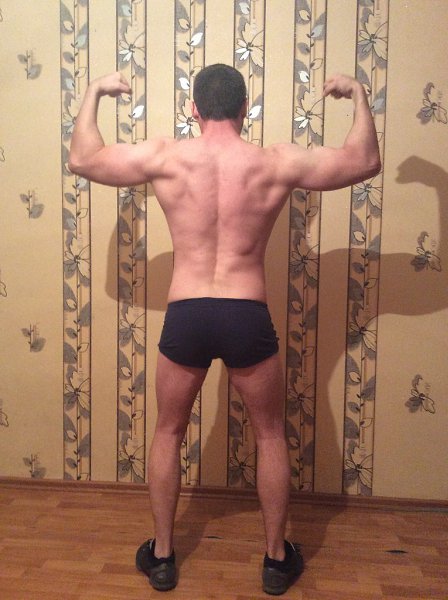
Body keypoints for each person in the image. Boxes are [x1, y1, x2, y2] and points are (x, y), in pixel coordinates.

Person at [69, 63, 381, 595]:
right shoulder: (274, 161)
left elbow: (83, 157)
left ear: (194, 108)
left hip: (188, 312)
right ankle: (276, 560)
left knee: (168, 431)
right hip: (245, 313)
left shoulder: (166, 156)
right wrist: (357, 96)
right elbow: (364, 160)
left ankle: (162, 556)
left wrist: (96, 90)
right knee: (270, 434)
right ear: (244, 109)